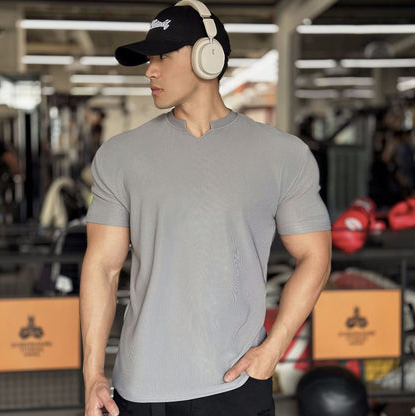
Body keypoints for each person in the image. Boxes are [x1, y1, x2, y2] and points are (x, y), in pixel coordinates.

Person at [80, 1, 332, 416]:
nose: (150, 70)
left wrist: (274, 348)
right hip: (141, 388)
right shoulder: (119, 156)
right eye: (148, 59)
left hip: (235, 383)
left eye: (163, 56)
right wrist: (93, 375)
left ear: (207, 56)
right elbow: (102, 268)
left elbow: (315, 258)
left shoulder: (283, 155)